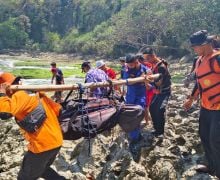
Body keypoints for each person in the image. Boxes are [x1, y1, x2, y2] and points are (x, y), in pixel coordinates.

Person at [0, 72, 65, 180]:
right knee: (42, 169)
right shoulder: (36, 92)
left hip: (41, 145)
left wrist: (2, 94)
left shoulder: (19, 95)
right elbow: (58, 110)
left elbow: (4, 113)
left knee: (24, 177)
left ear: (6, 87)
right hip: (56, 140)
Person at [184, 30, 220, 178]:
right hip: (205, 106)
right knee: (204, 136)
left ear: (204, 44)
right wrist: (191, 99)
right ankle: (211, 166)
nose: (194, 50)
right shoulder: (199, 60)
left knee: (215, 139)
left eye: (195, 47)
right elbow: (199, 83)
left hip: (218, 108)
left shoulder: (217, 59)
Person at [123, 54, 151, 161]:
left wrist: (147, 80)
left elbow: (150, 81)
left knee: (138, 113)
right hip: (130, 96)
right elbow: (126, 79)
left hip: (140, 96)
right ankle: (133, 135)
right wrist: (140, 79)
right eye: (128, 64)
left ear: (136, 62)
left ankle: (136, 137)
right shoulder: (126, 69)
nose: (129, 66)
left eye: (131, 64)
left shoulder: (145, 69)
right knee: (130, 115)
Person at [144, 48, 171, 138]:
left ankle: (160, 132)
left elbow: (159, 82)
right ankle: (156, 129)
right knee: (152, 108)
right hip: (157, 91)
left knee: (160, 110)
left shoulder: (161, 67)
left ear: (152, 56)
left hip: (164, 92)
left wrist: (150, 81)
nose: (146, 61)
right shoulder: (154, 64)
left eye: (147, 58)